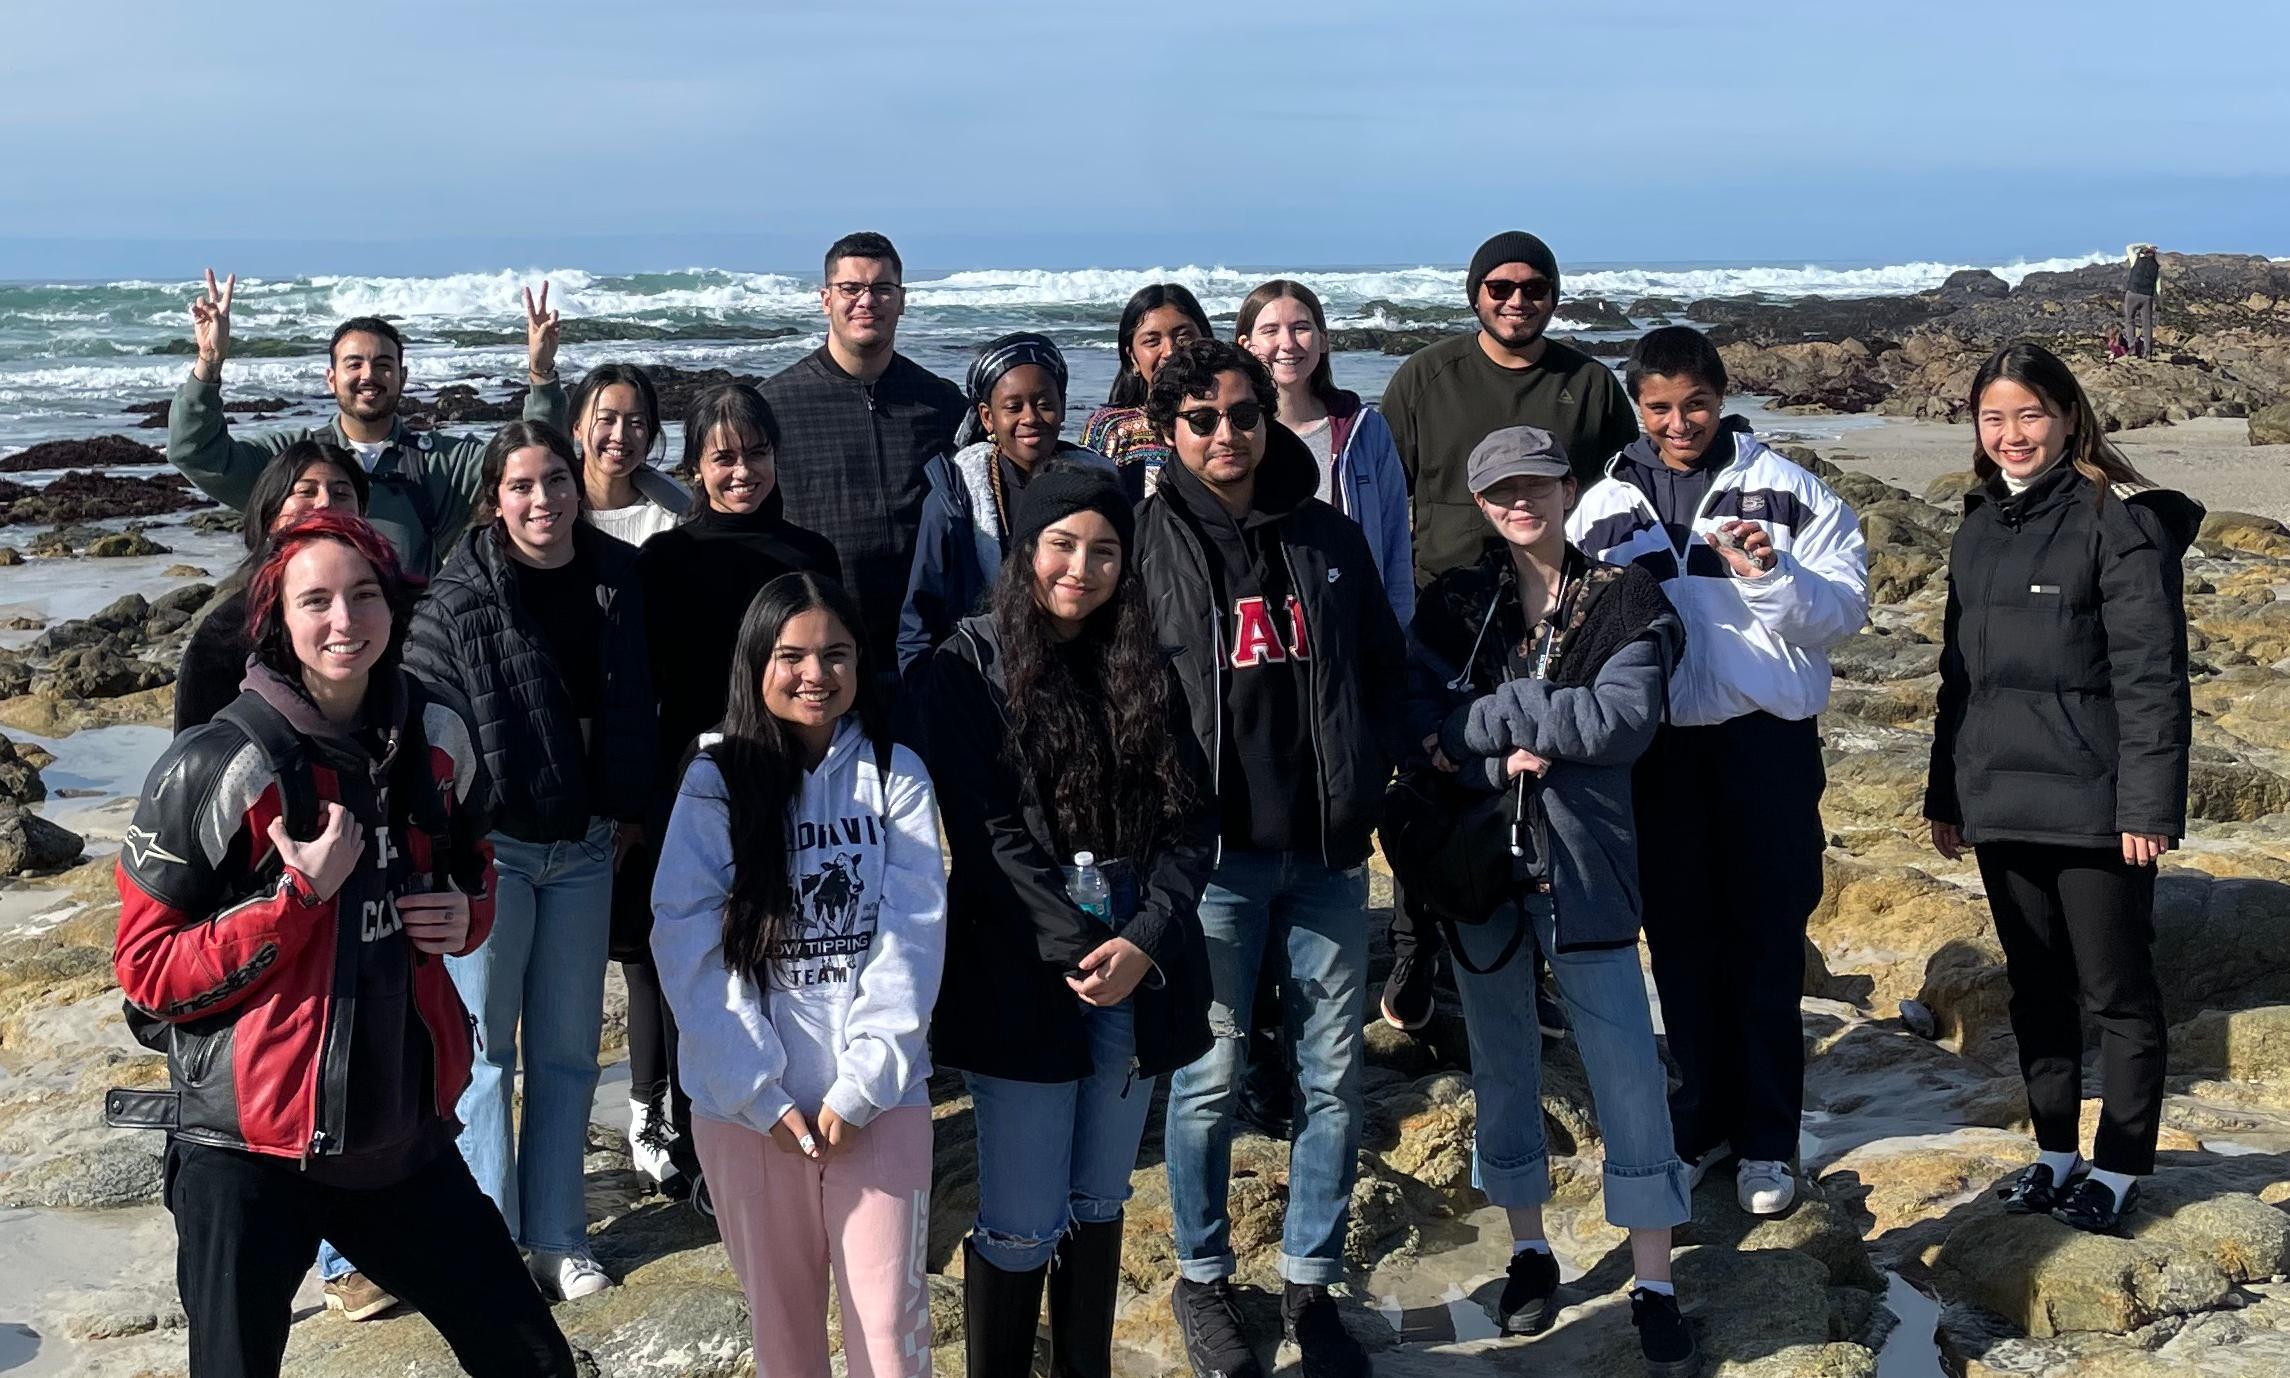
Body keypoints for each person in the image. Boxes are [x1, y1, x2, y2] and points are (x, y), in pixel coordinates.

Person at [113, 510, 576, 1378]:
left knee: (534, 1362)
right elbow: (145, 975)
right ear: (277, 621)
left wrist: (465, 912)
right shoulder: (214, 764)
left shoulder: (436, 737)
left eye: (364, 596)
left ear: (394, 609)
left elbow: (475, 868)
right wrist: (296, 902)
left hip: (399, 1142)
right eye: (315, 600)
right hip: (245, 1155)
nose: (344, 621)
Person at [1136, 339, 1414, 1378]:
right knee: (1206, 1079)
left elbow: (1384, 671)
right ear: (1169, 429)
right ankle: (1203, 1277)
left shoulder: (1326, 538)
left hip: (1327, 853)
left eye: (1241, 414)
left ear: (1268, 419)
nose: (1224, 433)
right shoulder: (1145, 539)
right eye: (1200, 417)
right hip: (1208, 864)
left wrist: (1377, 775)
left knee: (1331, 1076)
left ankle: (1310, 1278)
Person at [911, 466, 1214, 1378]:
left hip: (1137, 948)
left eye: (1105, 550)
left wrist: (1144, 938)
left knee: (1100, 1196)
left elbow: (1192, 823)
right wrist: (1084, 946)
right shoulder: (960, 668)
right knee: (1021, 1216)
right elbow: (987, 833)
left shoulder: (1145, 663)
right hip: (1022, 959)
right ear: (1025, 552)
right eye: (1062, 545)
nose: (1081, 568)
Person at [1410, 427, 1698, 1376]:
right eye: (1499, 490)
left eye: (1535, 483)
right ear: (1481, 503)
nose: (1519, 501)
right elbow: (1423, 729)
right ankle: (1531, 1250)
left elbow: (1620, 723)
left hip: (1585, 867)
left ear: (1570, 487)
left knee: (1625, 1068)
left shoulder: (1626, 598)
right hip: (1476, 867)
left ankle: (1653, 1279)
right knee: (1501, 1063)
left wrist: (1492, 719)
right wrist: (1501, 752)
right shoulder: (1454, 603)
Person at [1570, 325, 1868, 1217]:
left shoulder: (1787, 491)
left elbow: (1844, 612)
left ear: (1720, 395)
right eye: (1659, 408)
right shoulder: (1604, 506)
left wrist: (1773, 578)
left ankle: (1770, 1141)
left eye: (1694, 403)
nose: (1679, 422)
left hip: (1765, 745)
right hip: (1656, 751)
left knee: (1768, 942)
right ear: (1638, 406)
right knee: (1682, 944)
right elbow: (1575, 623)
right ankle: (1699, 1124)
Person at [1925, 342, 2200, 1234]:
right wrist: (1946, 795)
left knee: (2117, 992)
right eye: (1994, 417)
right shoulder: (1975, 526)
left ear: (2069, 417)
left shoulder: (2116, 522)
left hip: (2096, 806)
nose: (2012, 434)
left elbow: (2154, 678)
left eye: (2029, 415)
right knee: (2034, 989)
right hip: (2000, 799)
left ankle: (2119, 1164)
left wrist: (2147, 808)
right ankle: (2053, 1151)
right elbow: (1957, 679)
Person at [651, 571, 946, 1378]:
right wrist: (759, 1091)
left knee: (889, 1333)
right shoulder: (714, 778)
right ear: (757, 663)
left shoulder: (896, 772)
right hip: (748, 1115)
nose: (815, 674)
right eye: (792, 656)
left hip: (879, 1103)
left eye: (835, 655)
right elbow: (687, 940)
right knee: (784, 1337)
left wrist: (863, 1086)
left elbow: (912, 933)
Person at [405, 421, 656, 1301]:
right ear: (494, 497)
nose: (543, 499)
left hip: (586, 848)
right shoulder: (459, 594)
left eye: (556, 480)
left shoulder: (617, 579)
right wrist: (446, 853)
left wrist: (628, 810)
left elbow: (636, 709)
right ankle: (488, 1244)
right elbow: (431, 736)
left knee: (568, 1054)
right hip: (494, 853)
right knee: (484, 1057)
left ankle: (558, 1236)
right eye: (522, 485)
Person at [1375, 231, 1639, 1030]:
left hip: (1555, 615)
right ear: (1474, 293)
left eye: (1534, 288)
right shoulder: (1427, 376)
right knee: (1432, 785)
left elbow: (1624, 491)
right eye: (1500, 287)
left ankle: (1536, 973)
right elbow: (1384, 492)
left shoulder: (1589, 384)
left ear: (1554, 296)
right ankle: (1416, 945)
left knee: (1538, 794)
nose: (1517, 300)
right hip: (1448, 616)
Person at [626, 383, 841, 1202]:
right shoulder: (665, 562)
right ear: (695, 466)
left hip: (801, 782)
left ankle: (804, 1122)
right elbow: (637, 694)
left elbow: (842, 673)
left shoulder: (811, 556)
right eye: (722, 457)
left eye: (754, 453)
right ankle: (708, 1140)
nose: (741, 470)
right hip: (696, 788)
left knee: (798, 960)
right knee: (706, 973)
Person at [167, 270, 567, 578]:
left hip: (409, 652)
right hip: (312, 646)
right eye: (353, 364)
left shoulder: (442, 464)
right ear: (330, 378)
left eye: (382, 365)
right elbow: (196, 452)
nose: (368, 375)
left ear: (403, 377)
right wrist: (209, 362)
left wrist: (541, 372)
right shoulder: (290, 459)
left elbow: (531, 459)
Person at [759, 232, 968, 673]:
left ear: (901, 299)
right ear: (825, 298)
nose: (866, 301)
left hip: (928, 641)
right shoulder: (774, 404)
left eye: (881, 289)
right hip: (821, 645)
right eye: (851, 288)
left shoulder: (942, 403)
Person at [896, 332, 1116, 673]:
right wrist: (925, 696)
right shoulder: (956, 498)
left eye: (1044, 403)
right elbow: (919, 619)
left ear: (1062, 405)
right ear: (987, 417)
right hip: (980, 680)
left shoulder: (1099, 486)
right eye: (1013, 407)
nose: (1030, 417)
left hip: (1084, 669)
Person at [1235, 279, 1414, 629]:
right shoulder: (1235, 433)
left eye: (1301, 327)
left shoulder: (1365, 429)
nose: (1287, 343)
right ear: (1246, 345)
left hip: (1354, 625)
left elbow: (1395, 541)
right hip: (1266, 632)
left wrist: (1396, 632)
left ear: (1323, 339)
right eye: (1270, 330)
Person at [175, 441, 370, 734]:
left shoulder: (386, 610)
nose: (325, 503)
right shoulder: (227, 632)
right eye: (306, 491)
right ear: (270, 514)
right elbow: (193, 752)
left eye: (341, 493)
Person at [1081, 283, 1214, 501]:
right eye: (1152, 341)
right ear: (1132, 356)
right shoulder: (1111, 428)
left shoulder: (1228, 418)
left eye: (1183, 337)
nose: (1170, 351)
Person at [572, 363, 690, 545]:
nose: (619, 436)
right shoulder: (555, 512)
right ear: (577, 428)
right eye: (606, 419)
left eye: (635, 423)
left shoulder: (673, 516)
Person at [2123, 244, 2160, 360]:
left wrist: (2144, 244)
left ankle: (2132, 347)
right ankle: (2148, 352)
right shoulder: (2157, 268)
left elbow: (2129, 247)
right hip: (2147, 297)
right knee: (2147, 325)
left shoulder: (2136, 260)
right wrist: (2159, 304)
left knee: (2129, 320)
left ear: (2142, 253)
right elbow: (2158, 290)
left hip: (2132, 294)